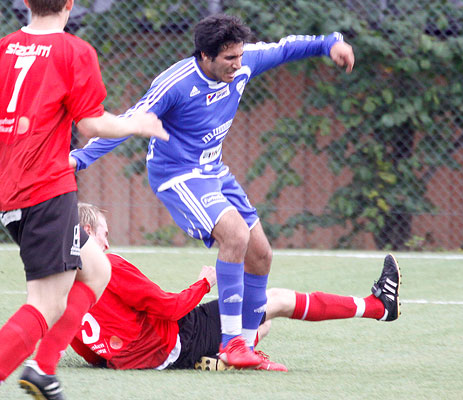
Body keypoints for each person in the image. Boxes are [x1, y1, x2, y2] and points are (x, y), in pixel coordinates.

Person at [70, 14, 357, 369]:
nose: (238, 65)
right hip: (177, 175)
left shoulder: (244, 61)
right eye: (229, 59)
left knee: (261, 254)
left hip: (213, 171)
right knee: (234, 234)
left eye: (239, 57)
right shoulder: (175, 83)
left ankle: (247, 346)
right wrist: (80, 159)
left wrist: (331, 43)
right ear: (204, 56)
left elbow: (285, 48)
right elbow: (129, 122)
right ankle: (231, 343)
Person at [0, 1, 169, 399]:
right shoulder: (74, 51)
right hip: (44, 191)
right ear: (70, 3)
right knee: (46, 304)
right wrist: (136, 123)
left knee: (97, 269)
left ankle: (42, 369)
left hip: (9, 189)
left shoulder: (0, 50)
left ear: (25, 2)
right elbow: (91, 124)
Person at [68, 203, 400, 372]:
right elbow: (169, 308)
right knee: (276, 300)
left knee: (261, 324)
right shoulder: (108, 266)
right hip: (176, 339)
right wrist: (204, 282)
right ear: (87, 230)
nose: (107, 243)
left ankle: (216, 357)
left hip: (148, 356)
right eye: (104, 234)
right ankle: (379, 307)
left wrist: (116, 359)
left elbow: (83, 349)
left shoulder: (60, 278)